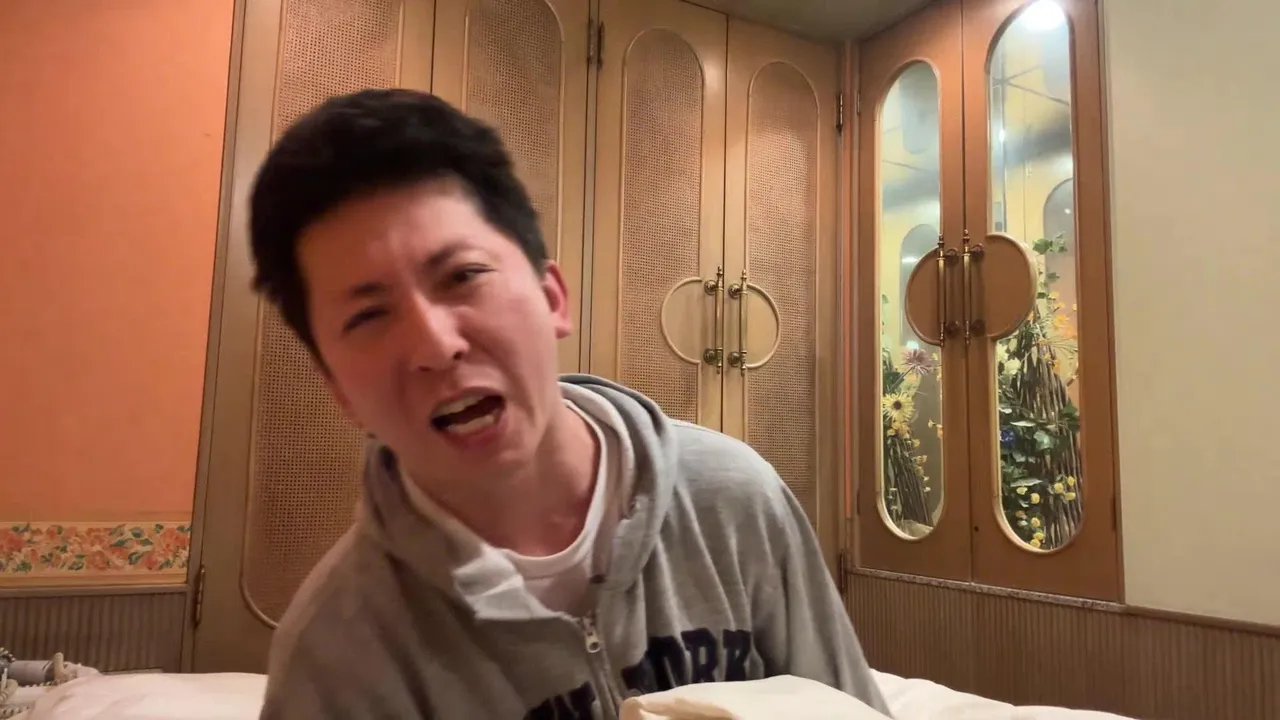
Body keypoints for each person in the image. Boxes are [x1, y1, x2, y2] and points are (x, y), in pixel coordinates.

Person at [249, 88, 890, 719]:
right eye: (368, 316)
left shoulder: (733, 499)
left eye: (462, 276)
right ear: (339, 390)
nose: (436, 346)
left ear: (552, 297)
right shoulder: (335, 657)